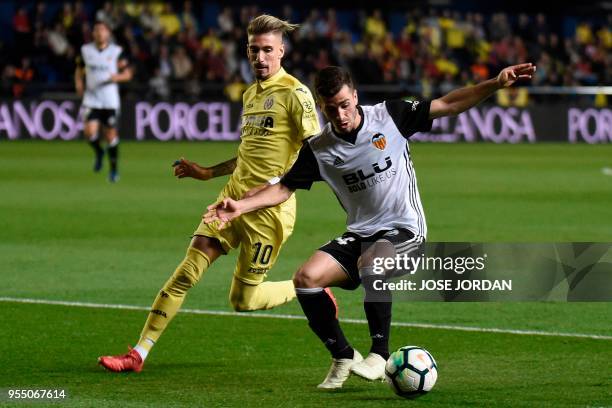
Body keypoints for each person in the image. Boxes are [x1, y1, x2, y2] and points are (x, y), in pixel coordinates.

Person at [204, 63, 536, 388]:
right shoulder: (318, 149)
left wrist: (494, 83)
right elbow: (282, 187)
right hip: (360, 234)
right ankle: (343, 355)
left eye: (346, 105)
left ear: (356, 96)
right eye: (332, 109)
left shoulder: (390, 115)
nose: (341, 115)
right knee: (306, 279)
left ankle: (380, 354)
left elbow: (448, 104)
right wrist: (239, 206)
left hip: (405, 231)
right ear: (322, 107)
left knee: (372, 264)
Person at [98, 15, 321, 372]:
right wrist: (208, 173)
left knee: (243, 300)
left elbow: (317, 150)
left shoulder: (296, 94)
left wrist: (279, 181)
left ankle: (311, 287)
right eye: (254, 50)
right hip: (229, 199)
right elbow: (248, 155)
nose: (260, 57)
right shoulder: (251, 94)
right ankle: (138, 353)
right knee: (187, 270)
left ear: (282, 51)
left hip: (268, 212)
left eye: (267, 50)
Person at [75, 20, 132, 183]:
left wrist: (117, 77)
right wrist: (78, 83)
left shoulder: (116, 52)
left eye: (103, 30)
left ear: (108, 33)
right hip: (91, 99)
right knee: (89, 133)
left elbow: (128, 74)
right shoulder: (85, 50)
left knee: (110, 136)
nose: (100, 33)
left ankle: (114, 171)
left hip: (110, 101)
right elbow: (79, 70)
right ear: (93, 33)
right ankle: (99, 152)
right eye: (97, 30)